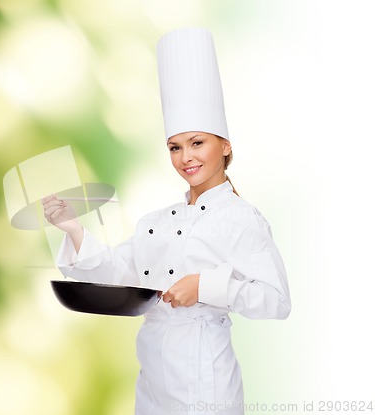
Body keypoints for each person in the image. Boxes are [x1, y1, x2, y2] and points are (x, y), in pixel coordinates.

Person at [42, 27, 291, 415]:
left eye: (197, 143)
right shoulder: (156, 222)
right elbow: (115, 270)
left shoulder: (242, 219)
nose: (185, 158)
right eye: (175, 147)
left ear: (224, 146)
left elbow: (276, 302)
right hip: (153, 383)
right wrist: (73, 228)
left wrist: (205, 286)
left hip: (206, 384)